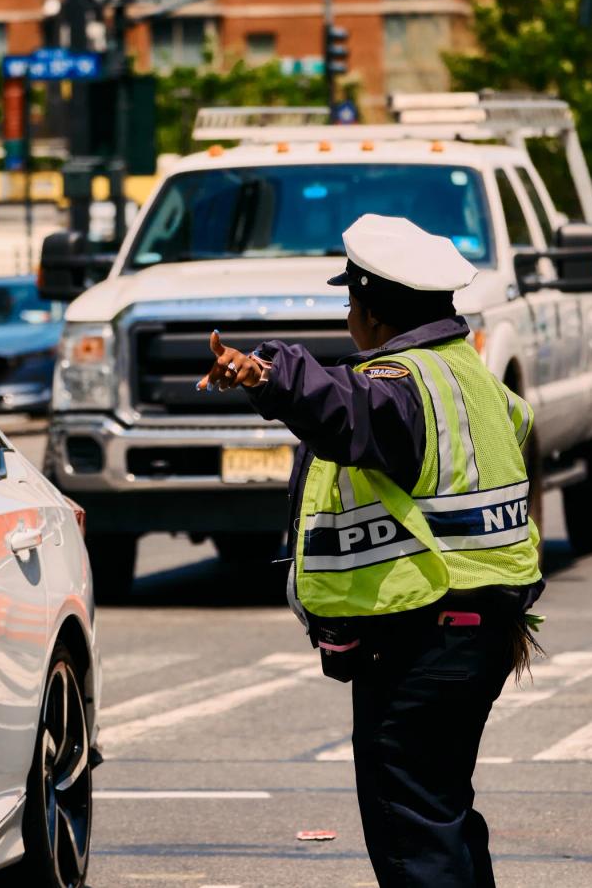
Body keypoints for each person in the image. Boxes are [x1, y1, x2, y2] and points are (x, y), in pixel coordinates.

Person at [198, 213, 545, 887]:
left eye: (351, 301)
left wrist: (267, 376)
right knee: (442, 813)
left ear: (373, 310)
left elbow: (346, 406)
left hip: (425, 637)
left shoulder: (402, 384)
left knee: (412, 830)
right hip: (485, 625)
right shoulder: (469, 375)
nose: (349, 316)